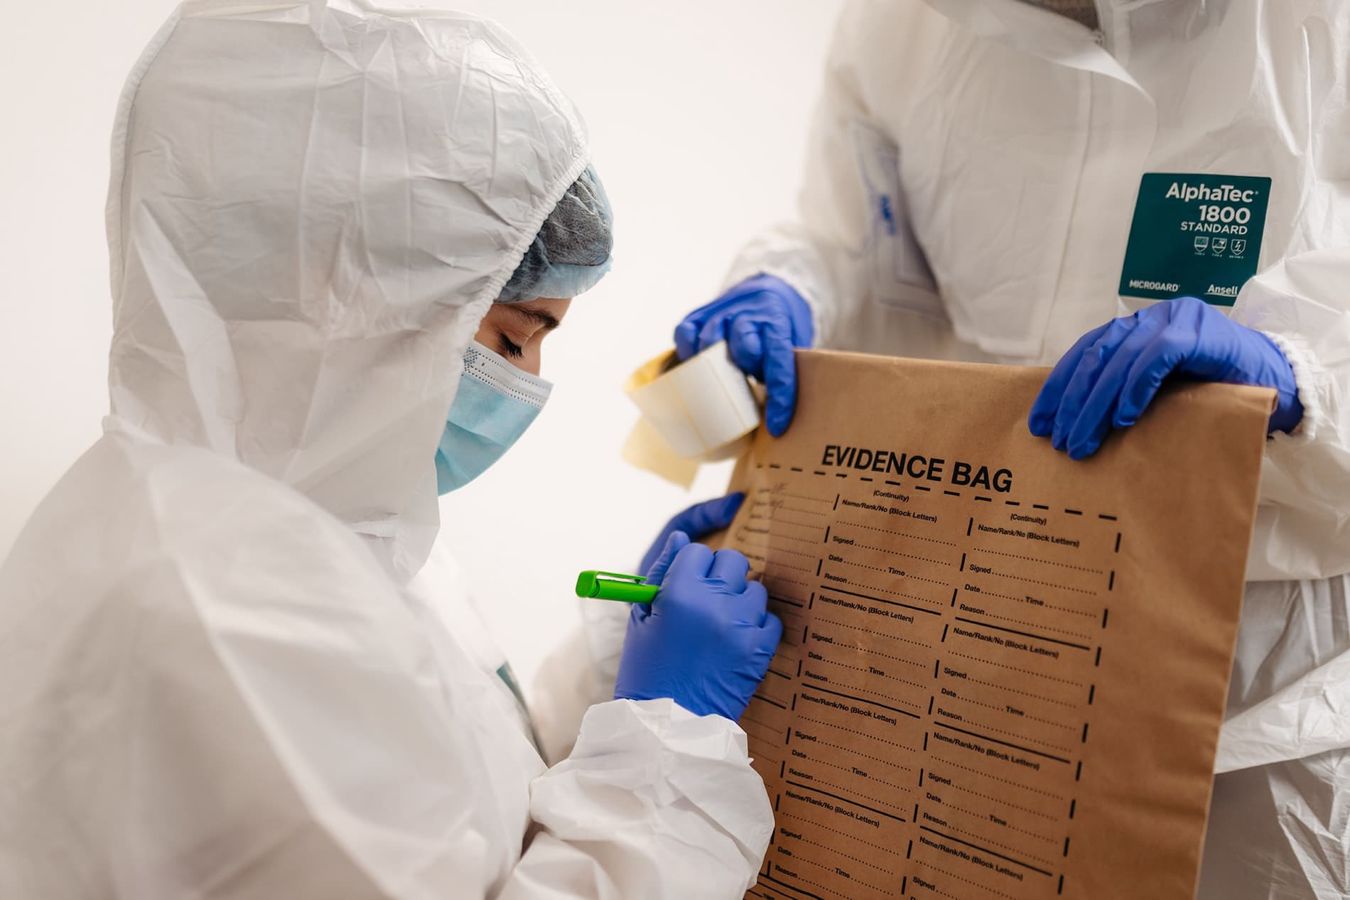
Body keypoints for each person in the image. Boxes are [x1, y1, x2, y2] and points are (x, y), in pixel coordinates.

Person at [0, 3, 782, 897]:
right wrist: (669, 737)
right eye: (514, 335)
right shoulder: (226, 608)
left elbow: (466, 773)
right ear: (369, 298)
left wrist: (619, 662)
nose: (527, 382)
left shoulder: (325, 526)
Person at [674, 1, 1350, 897]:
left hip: (1262, 694)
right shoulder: (900, 22)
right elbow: (861, 239)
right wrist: (797, 288)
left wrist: (1305, 385)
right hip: (967, 623)